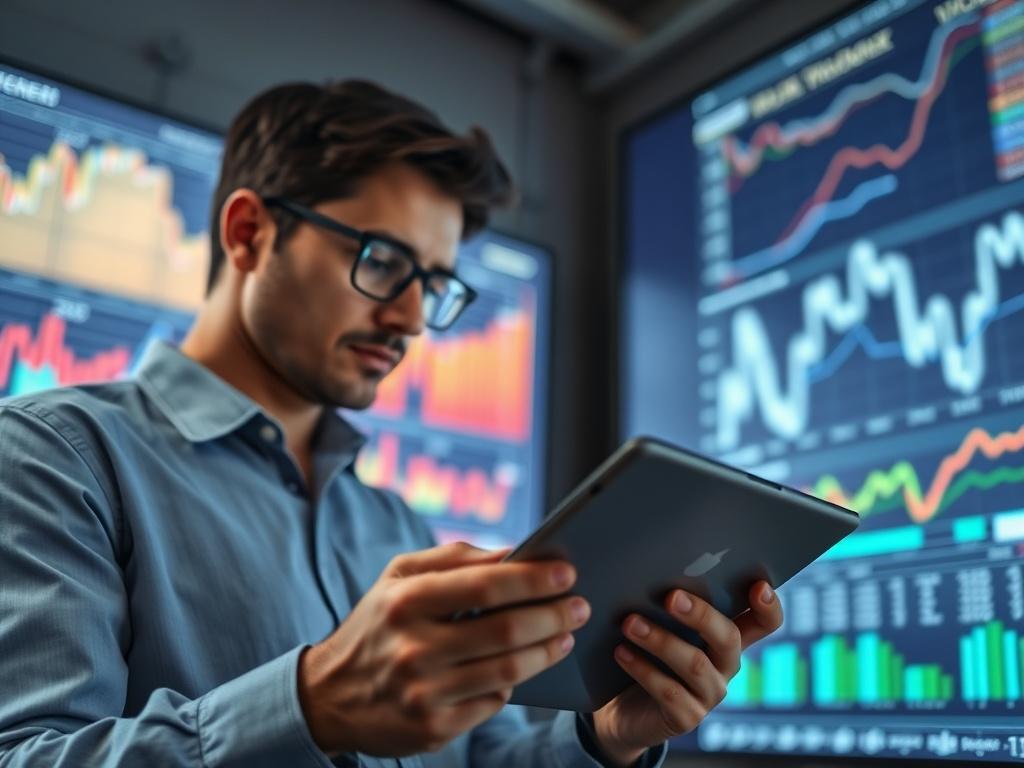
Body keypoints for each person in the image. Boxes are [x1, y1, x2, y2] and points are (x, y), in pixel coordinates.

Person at [0, 80, 783, 767]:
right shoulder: (53, 459)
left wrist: (606, 737)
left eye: (435, 284)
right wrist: (311, 707)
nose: (411, 317)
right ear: (248, 234)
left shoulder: (395, 527)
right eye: (380, 260)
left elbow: (478, 758)